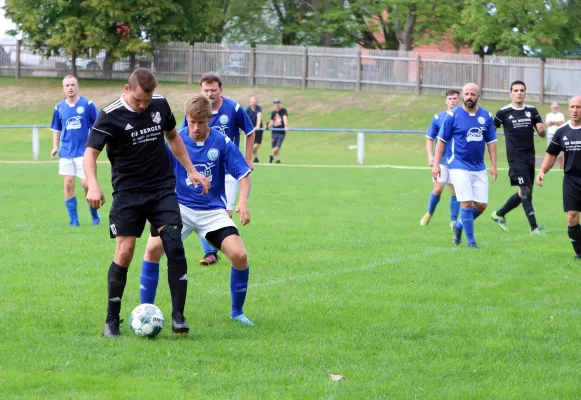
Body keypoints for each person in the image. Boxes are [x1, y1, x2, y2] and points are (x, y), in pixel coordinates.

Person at [84, 68, 210, 337]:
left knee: (174, 246)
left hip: (161, 188)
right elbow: (90, 153)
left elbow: (173, 136)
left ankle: (178, 316)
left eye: (147, 101)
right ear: (127, 89)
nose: (143, 106)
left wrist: (190, 169)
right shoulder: (109, 115)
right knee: (125, 252)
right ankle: (111, 319)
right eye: (139, 100)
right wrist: (93, 184)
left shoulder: (160, 105)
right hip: (128, 192)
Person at [140, 94, 255, 326]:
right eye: (191, 121)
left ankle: (237, 312)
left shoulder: (222, 142)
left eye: (200, 122)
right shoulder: (175, 140)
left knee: (239, 255)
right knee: (152, 249)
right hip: (179, 208)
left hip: (212, 212)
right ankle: (145, 311)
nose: (195, 127)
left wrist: (242, 202)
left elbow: (244, 174)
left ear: (209, 119)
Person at [179, 72, 255, 266]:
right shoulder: (195, 112)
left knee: (223, 213)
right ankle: (211, 252)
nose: (210, 94)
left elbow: (250, 131)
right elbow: (178, 142)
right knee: (198, 207)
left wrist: (247, 159)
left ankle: (214, 249)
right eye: (206, 90)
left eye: (213, 90)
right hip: (199, 170)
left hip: (228, 170)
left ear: (220, 89)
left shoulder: (234, 108)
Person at [433, 82, 498, 249]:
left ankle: (459, 226)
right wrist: (435, 164)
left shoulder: (486, 116)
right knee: (466, 204)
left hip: (479, 167)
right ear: (463, 95)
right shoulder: (453, 115)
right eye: (467, 94)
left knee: (481, 206)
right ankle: (471, 243)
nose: (469, 97)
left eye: (473, 94)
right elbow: (440, 141)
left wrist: (494, 166)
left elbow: (491, 142)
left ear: (478, 96)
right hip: (458, 165)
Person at [490, 80, 546, 234]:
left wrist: (542, 130)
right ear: (511, 93)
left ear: (525, 93)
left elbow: (542, 133)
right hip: (515, 158)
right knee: (525, 191)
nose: (519, 93)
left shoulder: (532, 111)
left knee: (525, 193)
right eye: (516, 90)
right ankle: (534, 228)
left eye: (522, 90)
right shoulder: (503, 112)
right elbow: (491, 130)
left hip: (530, 157)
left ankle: (499, 214)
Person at [50, 75, 100, 226]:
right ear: (63, 88)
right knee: (68, 184)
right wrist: (55, 146)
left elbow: (97, 126)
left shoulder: (87, 104)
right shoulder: (59, 107)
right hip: (66, 152)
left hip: (83, 152)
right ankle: (74, 220)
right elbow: (56, 129)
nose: (70, 88)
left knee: (86, 184)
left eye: (73, 85)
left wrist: (94, 146)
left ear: (77, 87)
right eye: (67, 85)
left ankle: (94, 213)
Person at [537, 96, 581, 259]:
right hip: (571, 179)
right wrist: (542, 171)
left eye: (579, 107)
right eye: (572, 107)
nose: (575, 110)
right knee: (572, 217)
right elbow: (551, 154)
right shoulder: (562, 131)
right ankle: (579, 252)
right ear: (568, 109)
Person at [420, 89, 460, 229]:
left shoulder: (462, 117)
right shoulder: (438, 118)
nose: (452, 101)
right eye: (450, 98)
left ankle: (453, 221)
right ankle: (429, 213)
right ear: (445, 101)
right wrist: (430, 156)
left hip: (457, 161)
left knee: (455, 191)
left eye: (455, 98)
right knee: (437, 189)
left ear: (458, 100)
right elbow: (430, 138)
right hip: (441, 160)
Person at [266, 98, 289, 163]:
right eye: (275, 104)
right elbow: (272, 121)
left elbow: (285, 118)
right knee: (274, 146)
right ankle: (278, 159)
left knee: (278, 146)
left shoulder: (283, 111)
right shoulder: (273, 113)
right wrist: (268, 126)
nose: (277, 105)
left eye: (278, 103)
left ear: (280, 104)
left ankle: (271, 155)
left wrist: (286, 125)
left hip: (281, 132)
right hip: (274, 132)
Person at [546, 102, 566, 169]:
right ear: (551, 108)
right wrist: (556, 122)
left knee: (560, 153)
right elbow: (548, 124)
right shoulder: (548, 115)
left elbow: (562, 123)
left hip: (559, 136)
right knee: (550, 152)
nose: (555, 108)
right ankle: (549, 167)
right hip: (550, 136)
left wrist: (553, 122)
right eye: (553, 107)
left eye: (556, 107)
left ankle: (561, 167)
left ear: (558, 108)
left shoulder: (561, 115)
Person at [246, 96, 263, 163]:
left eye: (255, 102)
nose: (254, 103)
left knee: (257, 143)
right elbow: (245, 118)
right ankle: (256, 158)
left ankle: (249, 154)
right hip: (251, 129)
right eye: (252, 102)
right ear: (250, 102)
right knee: (251, 143)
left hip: (258, 129)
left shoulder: (259, 108)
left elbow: (259, 116)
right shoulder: (248, 109)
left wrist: (258, 125)